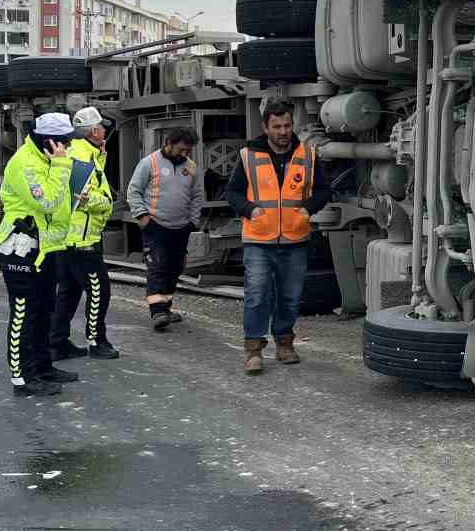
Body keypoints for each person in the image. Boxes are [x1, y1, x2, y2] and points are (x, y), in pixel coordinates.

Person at [225, 100, 329, 374]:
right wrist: (250, 209)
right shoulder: (249, 156)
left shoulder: (308, 155)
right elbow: (232, 193)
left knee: (290, 296)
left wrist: (308, 209)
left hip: (295, 239)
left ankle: (284, 343)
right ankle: (253, 349)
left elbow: (323, 191)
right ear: (266, 127)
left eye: (287, 125)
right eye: (277, 126)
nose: (283, 131)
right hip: (258, 238)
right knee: (257, 294)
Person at [0, 112, 77, 397]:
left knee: (44, 311)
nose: (69, 147)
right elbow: (48, 202)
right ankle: (22, 376)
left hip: (46, 248)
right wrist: (62, 165)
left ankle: (42, 366)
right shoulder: (26, 163)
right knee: (24, 313)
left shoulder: (46, 159)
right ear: (50, 141)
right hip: (21, 248)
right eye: (65, 141)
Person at [50, 106, 120, 362]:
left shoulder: (81, 153)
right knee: (99, 290)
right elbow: (84, 198)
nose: (105, 132)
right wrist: (106, 202)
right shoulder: (83, 158)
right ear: (94, 131)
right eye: (102, 127)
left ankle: (56, 342)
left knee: (69, 291)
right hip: (83, 238)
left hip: (69, 238)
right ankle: (96, 341)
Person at [126, 126, 201, 333]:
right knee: (157, 267)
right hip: (155, 226)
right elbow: (133, 191)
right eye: (180, 149)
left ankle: (165, 307)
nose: (184, 154)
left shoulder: (191, 167)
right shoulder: (149, 163)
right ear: (168, 144)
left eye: (187, 150)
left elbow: (197, 196)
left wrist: (193, 221)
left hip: (181, 227)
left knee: (174, 269)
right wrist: (142, 217)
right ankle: (157, 311)